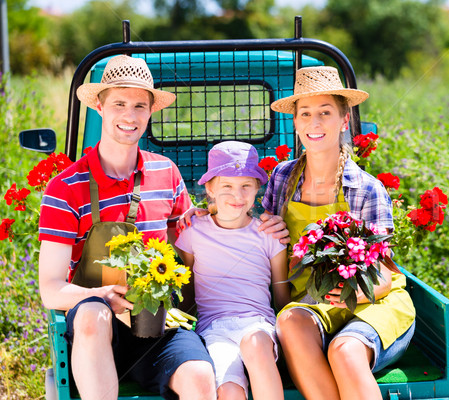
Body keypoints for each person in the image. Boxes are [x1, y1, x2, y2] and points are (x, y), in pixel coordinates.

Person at [37, 55, 219, 400]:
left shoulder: (166, 173)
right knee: (92, 315)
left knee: (198, 376)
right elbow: (50, 288)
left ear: (151, 111)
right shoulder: (66, 188)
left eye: (139, 105)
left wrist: (245, 222)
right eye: (119, 103)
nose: (130, 115)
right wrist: (99, 296)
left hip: (156, 324)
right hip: (98, 335)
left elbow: (187, 246)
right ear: (100, 107)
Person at [262, 66, 416, 400]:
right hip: (311, 300)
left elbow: (384, 276)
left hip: (372, 300)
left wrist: (349, 295)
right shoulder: (282, 179)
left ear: (344, 120)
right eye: (305, 113)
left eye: (325, 112)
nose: (314, 123)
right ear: (295, 122)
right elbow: (264, 245)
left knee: (345, 352)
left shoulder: (365, 189)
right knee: (289, 323)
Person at [175, 141, 290, 400]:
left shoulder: (269, 235)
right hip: (214, 329)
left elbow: (281, 295)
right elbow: (188, 290)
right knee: (228, 390)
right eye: (226, 186)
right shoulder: (194, 232)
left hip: (259, 324)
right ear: (210, 188)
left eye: (246, 186)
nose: (237, 196)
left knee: (255, 344)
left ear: (257, 188)